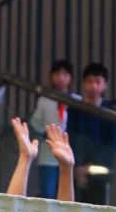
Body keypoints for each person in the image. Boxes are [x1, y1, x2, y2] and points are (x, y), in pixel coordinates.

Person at [69, 63, 116, 208]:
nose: (93, 86)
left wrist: (90, 166)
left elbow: (114, 144)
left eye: (98, 82)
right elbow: (71, 140)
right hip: (76, 171)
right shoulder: (74, 110)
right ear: (84, 84)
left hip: (101, 171)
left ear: (105, 85)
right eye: (89, 81)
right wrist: (77, 167)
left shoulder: (112, 112)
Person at [29, 59, 79, 200]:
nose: (60, 77)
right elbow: (35, 124)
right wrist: (45, 134)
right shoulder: (44, 100)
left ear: (70, 78)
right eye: (57, 74)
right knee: (48, 195)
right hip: (48, 155)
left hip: (71, 154)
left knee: (69, 196)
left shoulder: (77, 100)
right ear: (51, 77)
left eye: (65, 74)